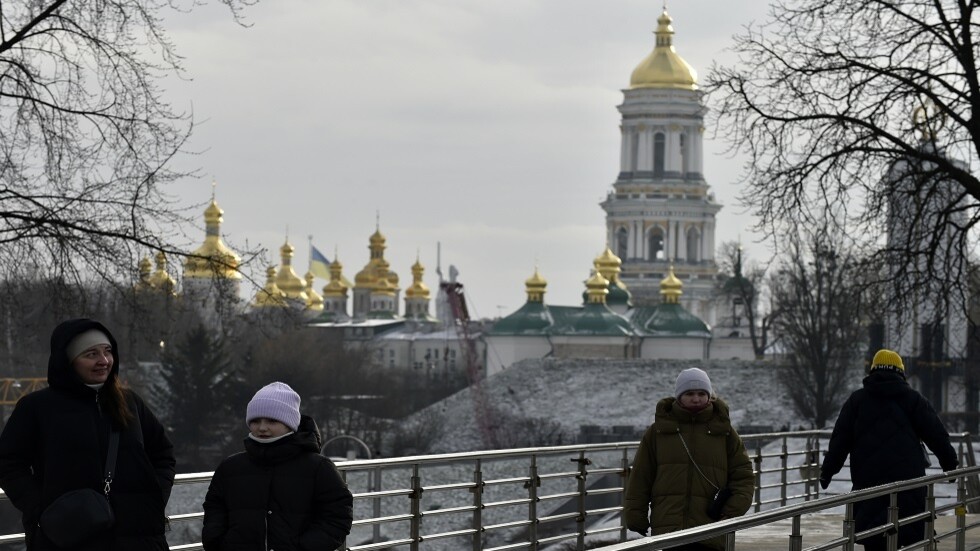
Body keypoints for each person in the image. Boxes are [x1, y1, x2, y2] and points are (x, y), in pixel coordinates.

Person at [0, 318, 176, 550]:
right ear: (68, 361)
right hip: (69, 538)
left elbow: (163, 454)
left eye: (107, 352)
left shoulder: (129, 402)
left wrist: (152, 498)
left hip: (138, 538)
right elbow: (7, 463)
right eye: (91, 354)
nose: (103, 361)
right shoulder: (38, 408)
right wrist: (40, 507)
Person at [820, 349, 958, 551]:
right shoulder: (914, 400)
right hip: (908, 487)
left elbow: (840, 441)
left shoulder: (857, 401)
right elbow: (936, 435)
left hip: (870, 487)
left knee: (875, 538)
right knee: (910, 534)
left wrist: (827, 471)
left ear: (872, 371)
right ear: (900, 372)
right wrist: (950, 464)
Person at [202, 381, 353, 550]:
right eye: (255, 420)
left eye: (272, 421)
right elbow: (214, 511)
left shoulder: (318, 467)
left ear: (290, 424)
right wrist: (218, 544)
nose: (262, 427)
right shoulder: (230, 468)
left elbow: (337, 516)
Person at [624, 367, 754, 550]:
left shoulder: (724, 432)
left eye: (701, 393)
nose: (696, 398)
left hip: (710, 529)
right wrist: (635, 514)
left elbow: (743, 476)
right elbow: (641, 476)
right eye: (690, 393)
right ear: (679, 396)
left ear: (709, 395)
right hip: (669, 529)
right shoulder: (658, 432)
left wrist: (732, 510)